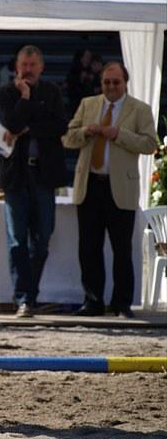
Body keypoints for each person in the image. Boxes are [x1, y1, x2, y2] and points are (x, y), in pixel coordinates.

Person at [62, 62, 158, 318]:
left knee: (122, 249)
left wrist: (119, 135)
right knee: (89, 247)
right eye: (106, 82)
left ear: (125, 83)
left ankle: (122, 303)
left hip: (121, 188)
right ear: (101, 83)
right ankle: (92, 301)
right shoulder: (88, 104)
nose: (111, 87)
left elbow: (150, 144)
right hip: (90, 184)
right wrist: (85, 131)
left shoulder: (140, 109)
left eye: (116, 82)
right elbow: (68, 138)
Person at [0, 45, 68, 318]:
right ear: (16, 66)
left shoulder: (52, 92)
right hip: (16, 178)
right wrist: (25, 99)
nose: (28, 69)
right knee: (17, 241)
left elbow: (59, 126)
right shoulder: (5, 94)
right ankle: (24, 298)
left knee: (42, 239)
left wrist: (28, 127)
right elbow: (11, 125)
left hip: (44, 176)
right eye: (24, 64)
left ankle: (31, 293)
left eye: (33, 64)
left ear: (41, 67)